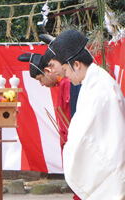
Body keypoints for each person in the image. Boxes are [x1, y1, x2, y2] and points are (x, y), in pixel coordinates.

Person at [48, 29, 125, 199]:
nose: (67, 76)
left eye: (66, 71)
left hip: (113, 166)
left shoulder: (99, 87)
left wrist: (71, 149)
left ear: (77, 65)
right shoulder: (95, 81)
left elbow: (85, 136)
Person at [18, 53, 71, 149]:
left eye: (40, 79)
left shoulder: (67, 83)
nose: (42, 84)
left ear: (47, 71)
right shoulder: (64, 83)